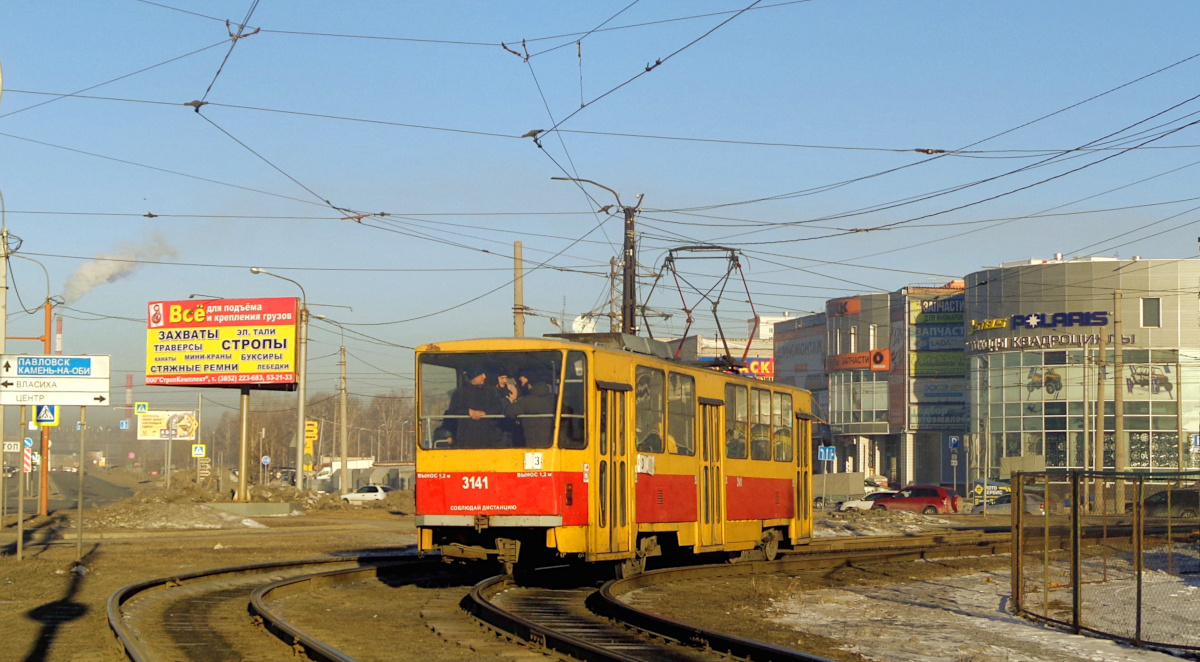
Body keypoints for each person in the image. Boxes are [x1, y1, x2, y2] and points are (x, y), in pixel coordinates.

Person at [442, 366, 504, 447]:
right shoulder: (459, 393)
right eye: (481, 374)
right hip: (465, 438)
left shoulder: (491, 391)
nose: (484, 377)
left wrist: (485, 413)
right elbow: (452, 412)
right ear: (474, 375)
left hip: (488, 437)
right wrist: (468, 412)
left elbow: (498, 407)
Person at [503, 367, 557, 447]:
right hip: (552, 441)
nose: (520, 378)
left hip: (532, 442)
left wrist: (513, 400)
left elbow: (510, 412)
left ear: (530, 380)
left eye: (523, 376)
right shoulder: (555, 399)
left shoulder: (527, 400)